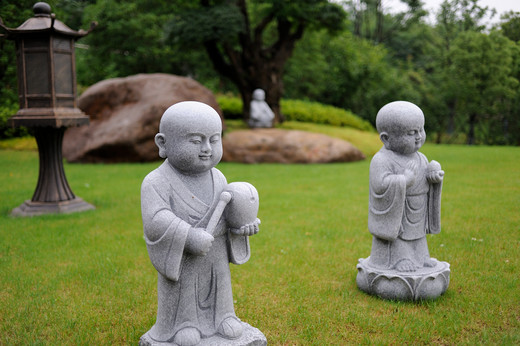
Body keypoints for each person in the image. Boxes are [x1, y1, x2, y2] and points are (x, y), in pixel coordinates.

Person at [141, 101, 260, 346]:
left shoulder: (219, 178)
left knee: (220, 281)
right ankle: (183, 324)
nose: (206, 149)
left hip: (214, 251)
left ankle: (223, 317)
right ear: (163, 144)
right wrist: (188, 236)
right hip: (183, 252)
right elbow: (156, 220)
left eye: (214, 140)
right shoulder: (156, 182)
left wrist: (241, 228)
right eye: (196, 141)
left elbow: (227, 217)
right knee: (183, 284)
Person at [367, 101, 444, 272]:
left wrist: (434, 177)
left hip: (419, 208)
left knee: (418, 234)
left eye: (421, 130)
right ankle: (399, 259)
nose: (418, 136)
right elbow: (380, 186)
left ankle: (421, 257)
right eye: (411, 133)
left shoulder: (421, 157)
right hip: (397, 212)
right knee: (400, 235)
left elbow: (426, 179)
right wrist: (403, 180)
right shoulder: (381, 160)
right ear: (386, 139)